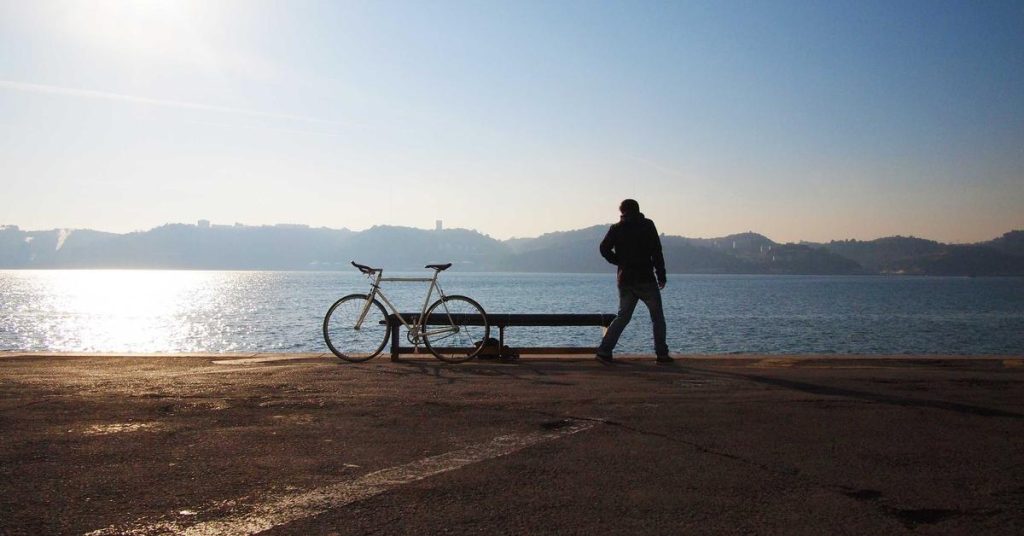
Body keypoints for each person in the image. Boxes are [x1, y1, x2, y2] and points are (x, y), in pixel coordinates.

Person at [596, 199, 672, 363]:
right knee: (657, 318)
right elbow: (656, 251)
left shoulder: (616, 228)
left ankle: (604, 351)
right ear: (638, 210)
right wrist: (661, 275)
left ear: (622, 211)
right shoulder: (647, 225)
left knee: (623, 317)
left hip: (625, 280)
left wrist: (619, 261)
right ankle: (661, 354)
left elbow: (603, 248)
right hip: (646, 278)